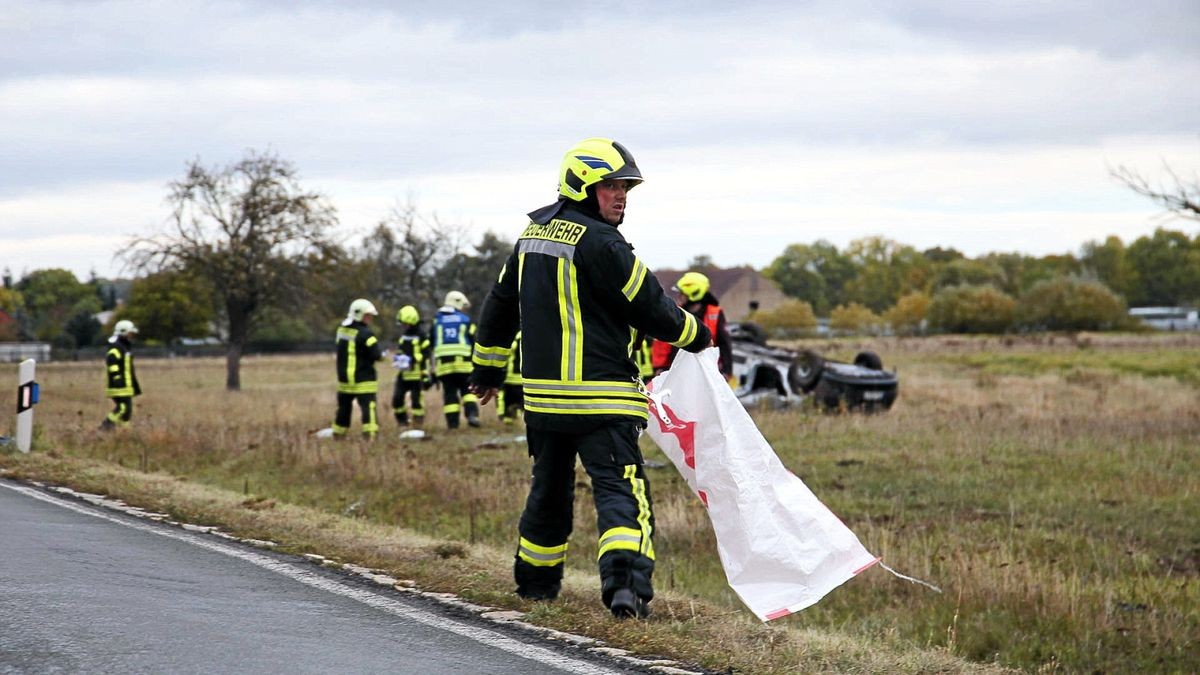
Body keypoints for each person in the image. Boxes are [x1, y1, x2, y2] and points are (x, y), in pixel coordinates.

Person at [468, 137, 712, 619]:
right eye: (611, 187)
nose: (621, 196)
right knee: (621, 491)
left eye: (625, 188)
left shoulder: (529, 238)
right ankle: (626, 590)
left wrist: (488, 369)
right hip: (603, 400)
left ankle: (536, 585)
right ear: (582, 186)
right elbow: (652, 306)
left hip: (544, 404)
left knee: (548, 491)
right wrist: (698, 335)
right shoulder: (603, 243)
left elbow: (499, 308)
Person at [664, 271, 735, 382]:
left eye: (682, 294)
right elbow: (665, 344)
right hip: (679, 372)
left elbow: (725, 344)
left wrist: (727, 371)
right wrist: (661, 369)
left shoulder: (715, 313)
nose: (679, 297)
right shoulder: (676, 313)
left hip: (708, 373)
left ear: (694, 294)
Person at [333, 298, 384, 439]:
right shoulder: (366, 334)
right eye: (368, 316)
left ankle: (338, 434)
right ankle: (371, 435)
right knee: (368, 407)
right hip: (363, 378)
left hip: (344, 379)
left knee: (343, 409)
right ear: (361, 315)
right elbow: (377, 355)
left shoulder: (342, 331)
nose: (370, 319)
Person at [431, 290, 479, 429]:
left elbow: (431, 342)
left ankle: (453, 424)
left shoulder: (437, 321)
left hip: (444, 366)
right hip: (464, 364)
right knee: (468, 391)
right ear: (457, 303)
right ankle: (472, 415)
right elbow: (474, 340)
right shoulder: (465, 320)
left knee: (450, 394)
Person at [392, 304, 430, 428]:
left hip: (416, 374)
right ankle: (402, 422)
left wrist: (414, 361)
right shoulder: (404, 336)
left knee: (416, 401)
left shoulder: (422, 336)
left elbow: (426, 355)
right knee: (397, 399)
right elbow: (401, 350)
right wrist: (398, 358)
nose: (403, 326)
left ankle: (418, 423)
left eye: (404, 323)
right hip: (404, 374)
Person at [100, 319, 141, 430]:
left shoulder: (125, 347)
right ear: (123, 333)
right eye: (130, 333)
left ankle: (126, 431)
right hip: (119, 386)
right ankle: (106, 425)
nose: (131, 336)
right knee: (123, 408)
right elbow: (112, 363)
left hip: (126, 386)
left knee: (128, 411)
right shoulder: (116, 347)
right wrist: (117, 378)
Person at [498, 331, 524, 425]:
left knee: (508, 399)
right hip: (524, 376)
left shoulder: (517, 335)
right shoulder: (529, 333)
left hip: (512, 375)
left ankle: (506, 417)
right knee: (520, 400)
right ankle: (515, 418)